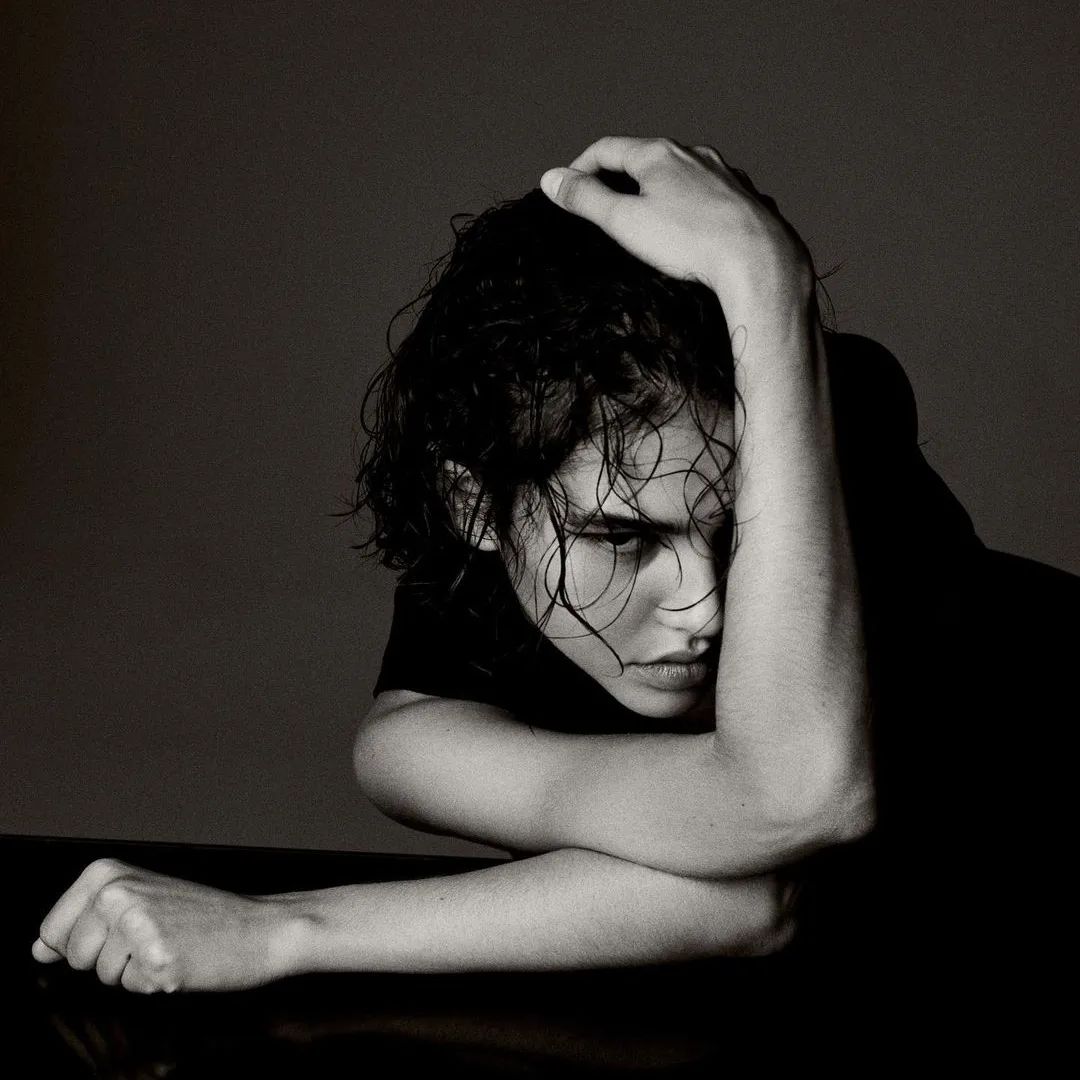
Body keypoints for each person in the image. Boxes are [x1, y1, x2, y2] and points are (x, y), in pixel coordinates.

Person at [29, 136, 991, 994]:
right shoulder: (421, 735)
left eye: (739, 533)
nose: (704, 606)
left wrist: (767, 287)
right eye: (623, 537)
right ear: (475, 506)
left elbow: (796, 801)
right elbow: (748, 894)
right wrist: (278, 932)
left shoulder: (844, 476)